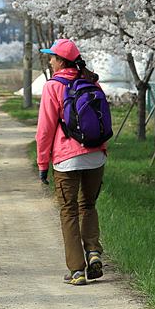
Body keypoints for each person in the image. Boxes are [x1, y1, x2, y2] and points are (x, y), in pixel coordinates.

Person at [36, 39, 107, 286]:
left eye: (53, 57)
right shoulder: (92, 81)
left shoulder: (53, 86)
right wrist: (101, 150)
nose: (50, 60)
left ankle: (77, 270)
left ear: (61, 60)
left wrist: (42, 163)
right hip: (96, 155)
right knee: (88, 204)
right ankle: (94, 251)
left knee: (69, 211)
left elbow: (45, 129)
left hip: (66, 158)